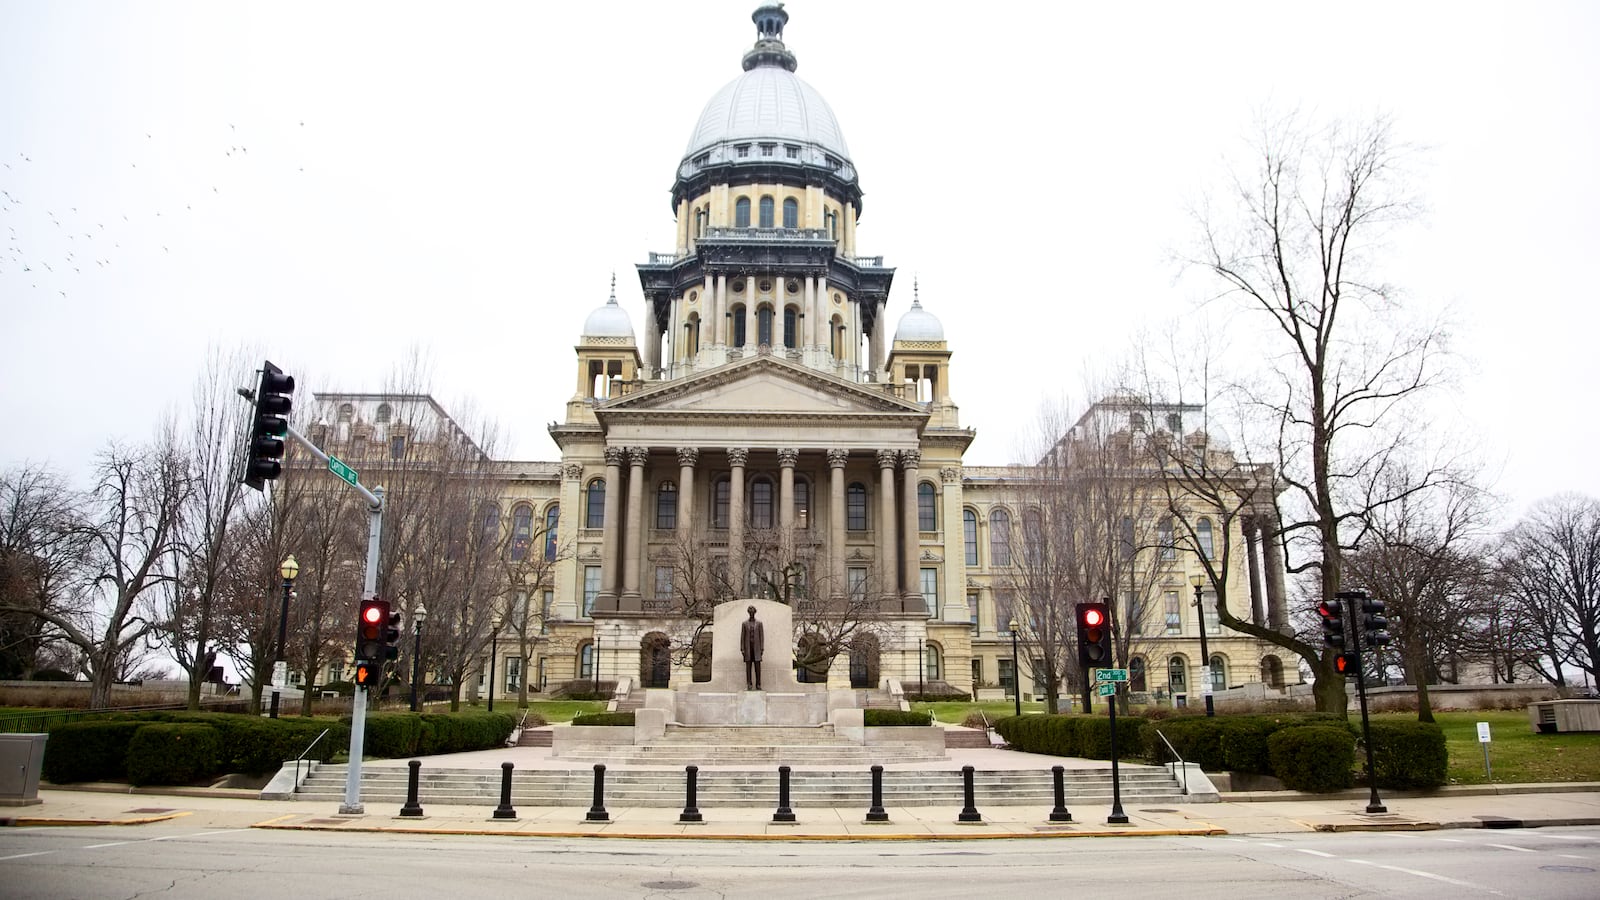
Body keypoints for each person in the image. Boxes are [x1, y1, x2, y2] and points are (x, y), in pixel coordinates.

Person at [740, 605, 764, 690]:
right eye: (750, 613)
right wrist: (742, 648)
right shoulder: (744, 624)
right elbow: (742, 637)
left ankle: (758, 684)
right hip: (748, 649)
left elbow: (761, 636)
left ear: (755, 613)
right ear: (748, 613)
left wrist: (762, 648)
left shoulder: (759, 623)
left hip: (757, 648)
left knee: (757, 667)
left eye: (752, 613)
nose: (751, 614)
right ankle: (749, 684)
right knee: (748, 668)